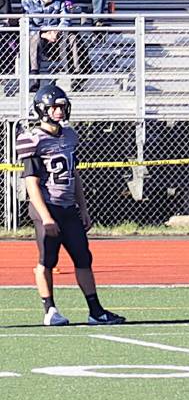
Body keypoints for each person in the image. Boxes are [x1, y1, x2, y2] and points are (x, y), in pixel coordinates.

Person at [16, 85, 125, 326]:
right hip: (48, 207)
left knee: (83, 257)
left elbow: (74, 174)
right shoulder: (32, 139)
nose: (60, 111)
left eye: (63, 106)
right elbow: (32, 185)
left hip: (68, 208)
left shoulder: (69, 136)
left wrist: (83, 208)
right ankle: (50, 309)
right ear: (43, 109)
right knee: (47, 260)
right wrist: (46, 217)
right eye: (56, 107)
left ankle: (95, 311)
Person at [20, 0, 86, 92]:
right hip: (40, 36)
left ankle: (77, 75)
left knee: (72, 37)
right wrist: (43, 33)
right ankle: (34, 76)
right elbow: (27, 24)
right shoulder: (27, 0)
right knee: (34, 37)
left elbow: (65, 18)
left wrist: (57, 31)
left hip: (57, 35)